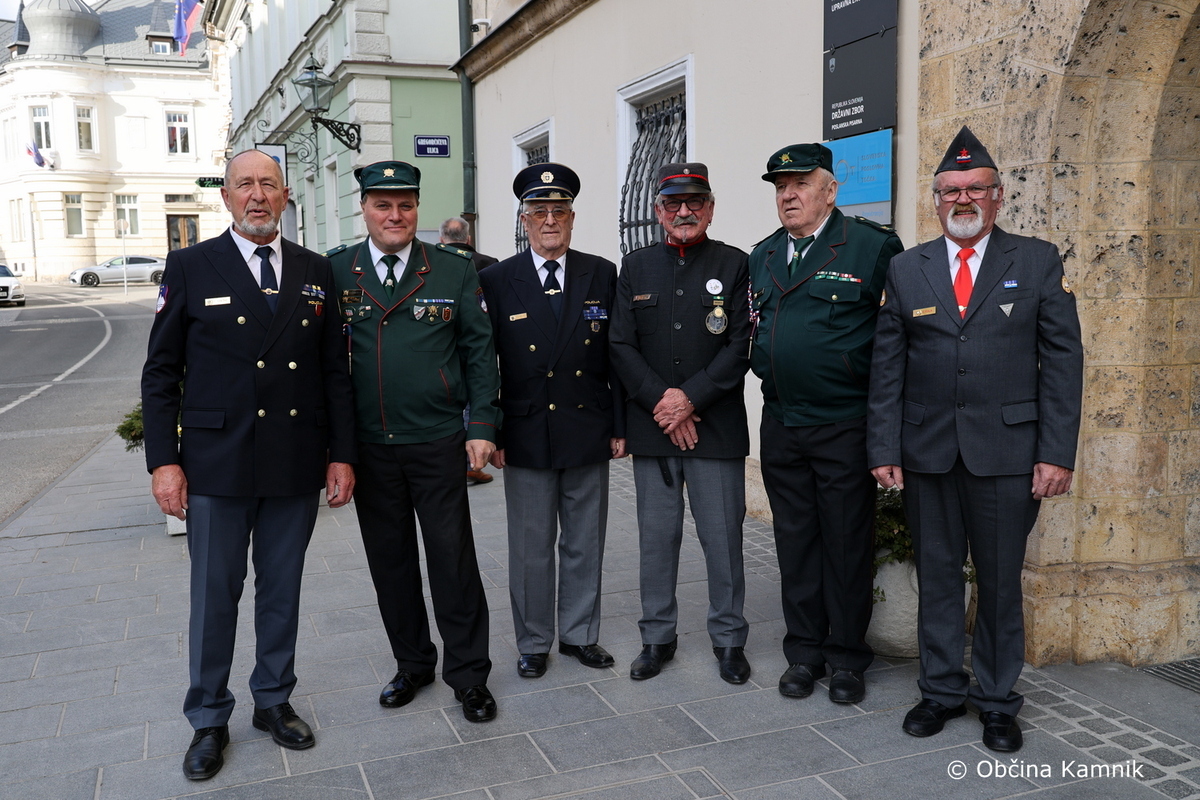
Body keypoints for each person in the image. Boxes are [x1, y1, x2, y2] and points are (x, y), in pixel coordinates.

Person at [141, 149, 356, 780]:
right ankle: (209, 717)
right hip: (217, 462)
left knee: (281, 590)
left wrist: (342, 453)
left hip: (294, 458)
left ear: (285, 196)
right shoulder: (190, 265)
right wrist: (164, 462)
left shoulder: (316, 269)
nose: (257, 195)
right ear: (227, 197)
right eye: (244, 185)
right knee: (215, 596)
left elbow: (334, 371)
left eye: (268, 184)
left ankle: (273, 699)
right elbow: (161, 373)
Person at [867, 126, 1083, 752]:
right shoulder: (907, 268)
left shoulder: (1037, 261)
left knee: (999, 581)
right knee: (937, 577)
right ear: (936, 200)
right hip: (927, 452)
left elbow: (1063, 362)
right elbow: (888, 366)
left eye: (975, 189)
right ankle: (939, 691)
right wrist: (883, 447)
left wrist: (1055, 453)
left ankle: (995, 700)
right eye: (951, 190)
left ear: (997, 196)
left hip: (1007, 454)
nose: (962, 199)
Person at [328, 161, 501, 724]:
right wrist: (334, 449)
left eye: (405, 205)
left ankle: (469, 675)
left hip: (437, 440)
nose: (394, 215)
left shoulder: (452, 269)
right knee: (391, 562)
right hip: (371, 447)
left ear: (417, 209)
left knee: (453, 560)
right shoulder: (337, 271)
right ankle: (413, 664)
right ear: (364, 209)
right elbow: (324, 366)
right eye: (383, 205)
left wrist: (482, 427)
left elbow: (479, 354)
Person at [749, 144, 904, 705]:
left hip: (843, 423)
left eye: (800, 184)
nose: (788, 196)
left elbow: (895, 343)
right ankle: (804, 652)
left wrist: (889, 432)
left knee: (844, 544)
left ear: (831, 190)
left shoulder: (872, 247)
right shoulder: (763, 254)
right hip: (781, 422)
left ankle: (846, 658)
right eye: (780, 187)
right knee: (794, 543)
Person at [478, 163, 625, 679]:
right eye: (538, 211)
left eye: (558, 211)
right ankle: (534, 641)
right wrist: (491, 430)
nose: (549, 221)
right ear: (524, 220)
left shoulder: (601, 273)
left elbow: (617, 355)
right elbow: (485, 362)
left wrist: (620, 425)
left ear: (572, 218)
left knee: (585, 540)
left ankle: (580, 634)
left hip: (587, 425)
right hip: (525, 431)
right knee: (531, 547)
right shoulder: (497, 279)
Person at [609, 162, 753, 684]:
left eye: (695, 202)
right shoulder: (635, 266)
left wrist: (689, 399)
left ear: (710, 208)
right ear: (658, 211)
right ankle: (657, 637)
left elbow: (742, 343)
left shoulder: (736, 264)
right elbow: (620, 345)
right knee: (656, 539)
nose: (684, 212)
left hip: (715, 427)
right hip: (654, 427)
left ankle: (729, 640)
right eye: (673, 203)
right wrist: (664, 404)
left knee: (723, 540)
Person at [441, 216, 499, 485]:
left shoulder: (436, 264)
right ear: (468, 238)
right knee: (475, 399)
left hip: (447, 348)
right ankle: (472, 461)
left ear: (442, 239)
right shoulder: (489, 263)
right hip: (481, 344)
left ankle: (462, 461)